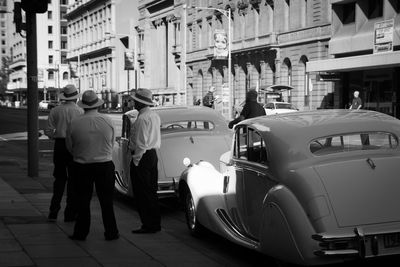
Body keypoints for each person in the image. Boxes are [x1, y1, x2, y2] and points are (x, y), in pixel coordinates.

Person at [66, 90, 119, 241]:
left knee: (83, 202)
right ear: (97, 104)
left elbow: (70, 146)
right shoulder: (108, 120)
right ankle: (111, 232)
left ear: (83, 106)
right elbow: (112, 141)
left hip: (82, 166)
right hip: (104, 165)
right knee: (107, 201)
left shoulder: (74, 122)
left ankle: (81, 233)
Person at [45, 84, 83, 222]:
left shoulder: (55, 110)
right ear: (76, 96)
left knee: (59, 178)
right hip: (75, 146)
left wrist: (56, 136)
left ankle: (53, 211)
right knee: (74, 180)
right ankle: (70, 213)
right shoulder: (80, 112)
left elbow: (48, 131)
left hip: (60, 145)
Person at [129, 88, 162, 234]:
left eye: (135, 101)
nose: (133, 103)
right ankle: (155, 223)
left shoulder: (142, 118)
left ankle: (148, 224)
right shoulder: (154, 115)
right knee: (151, 191)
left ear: (140, 103)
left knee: (142, 193)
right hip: (152, 155)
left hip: (142, 157)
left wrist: (136, 161)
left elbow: (141, 143)